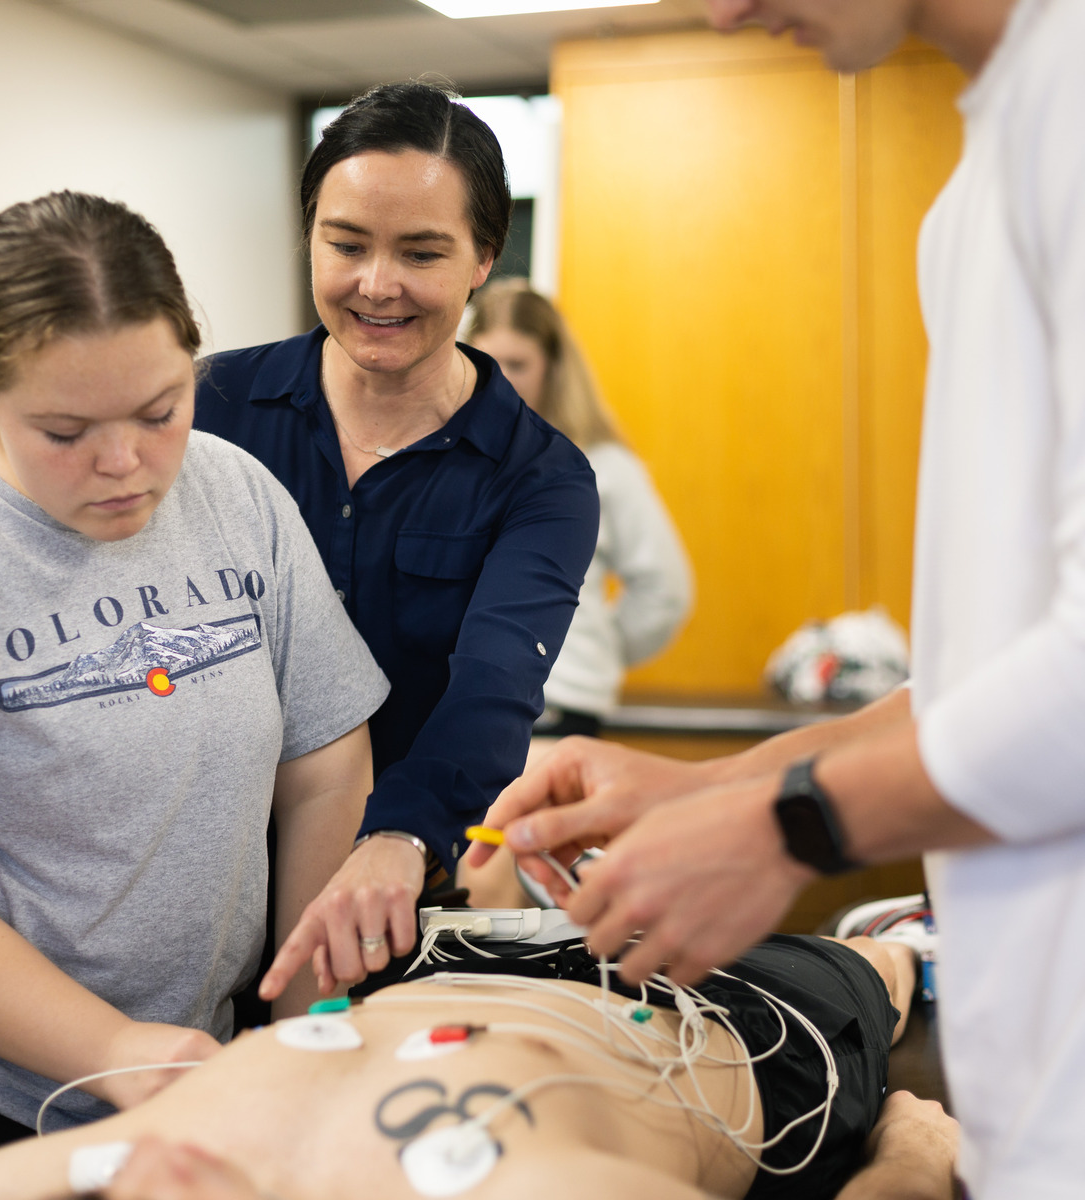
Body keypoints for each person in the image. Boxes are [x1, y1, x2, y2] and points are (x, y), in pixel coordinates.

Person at [469, 1, 1085, 1196]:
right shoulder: (978, 188)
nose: (722, 10)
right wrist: (716, 787)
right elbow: (976, 690)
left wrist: (791, 826)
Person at [0, 191, 389, 1184]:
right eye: (65, 431)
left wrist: (298, 1008)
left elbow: (325, 764)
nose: (125, 467)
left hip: (205, 1051)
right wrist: (115, 1050)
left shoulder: (236, 491)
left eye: (160, 412)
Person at [193, 81, 599, 1000]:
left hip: (382, 893)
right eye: (345, 245)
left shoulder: (540, 478)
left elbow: (492, 691)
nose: (377, 285)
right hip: (180, 887)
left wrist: (398, 839)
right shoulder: (207, 408)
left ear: (483, 258)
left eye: (421, 252)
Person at [0, 928, 962, 1200]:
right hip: (730, 1028)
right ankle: (903, 947)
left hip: (432, 965)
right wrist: (909, 1166)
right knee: (870, 964)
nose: (149, 1175)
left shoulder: (22, 1184)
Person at [466, 280, 693, 741]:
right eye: (488, 362)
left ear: (552, 368)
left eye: (518, 364)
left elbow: (665, 592)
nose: (501, 380)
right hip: (461, 707)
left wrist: (593, 648)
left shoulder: (604, 466)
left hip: (557, 712)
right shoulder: (451, 457)